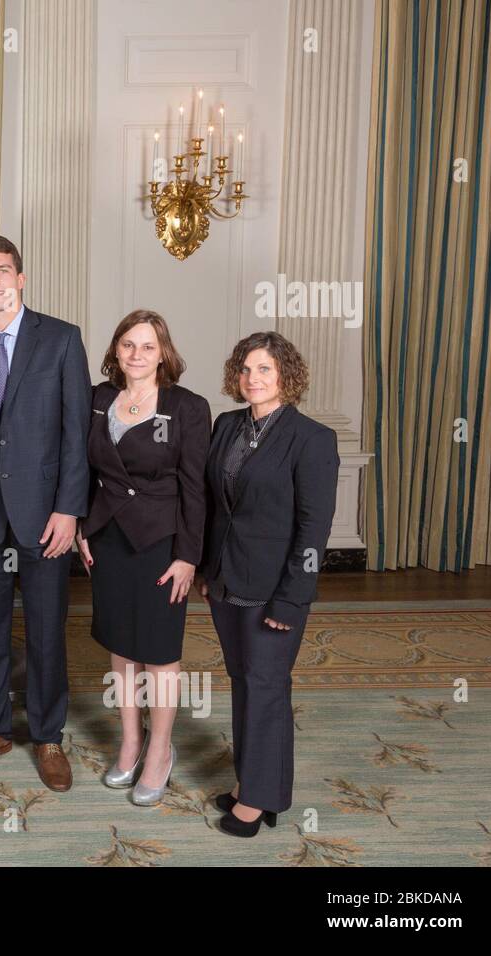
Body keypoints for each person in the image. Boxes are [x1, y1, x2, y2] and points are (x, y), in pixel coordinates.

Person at [0, 235, 91, 792]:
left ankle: (48, 735)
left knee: (48, 631)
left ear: (21, 278)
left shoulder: (60, 339)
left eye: (4, 271)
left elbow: (78, 433)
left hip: (45, 518)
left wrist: (69, 510)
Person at [198, 331, 338, 837]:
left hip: (275, 589)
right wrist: (204, 568)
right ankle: (258, 785)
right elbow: (216, 507)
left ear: (286, 376)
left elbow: (313, 530)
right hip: (225, 581)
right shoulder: (228, 424)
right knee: (247, 684)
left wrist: (293, 598)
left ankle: (256, 803)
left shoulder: (312, 439)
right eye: (246, 369)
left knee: (266, 688)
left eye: (265, 369)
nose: (253, 379)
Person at [74, 310, 210, 806]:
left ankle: (159, 750)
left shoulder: (188, 407)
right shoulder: (99, 399)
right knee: (120, 645)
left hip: (161, 543)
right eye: (127, 344)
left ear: (163, 353)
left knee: (158, 651)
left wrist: (188, 556)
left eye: (147, 346)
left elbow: (197, 489)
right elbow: (83, 469)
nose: (136, 354)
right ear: (116, 351)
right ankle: (129, 741)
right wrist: (84, 526)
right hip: (107, 538)